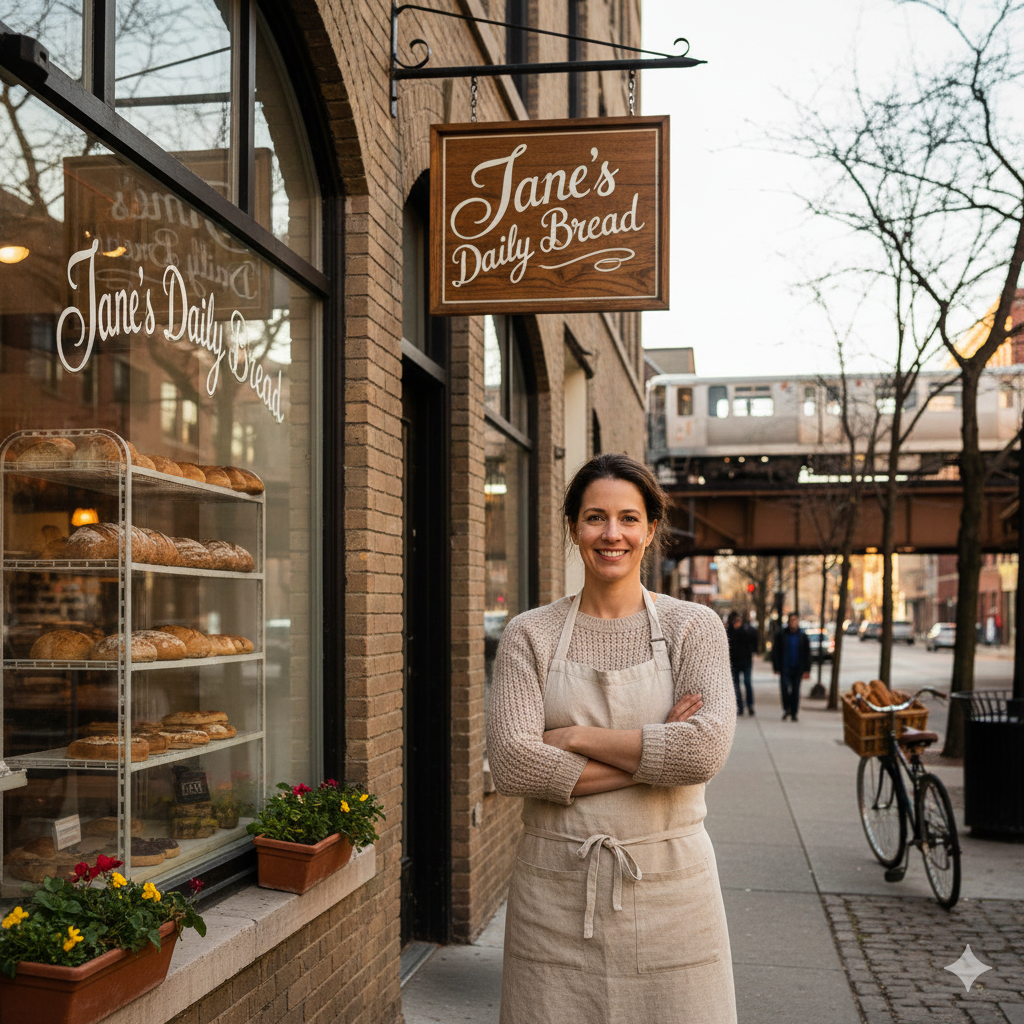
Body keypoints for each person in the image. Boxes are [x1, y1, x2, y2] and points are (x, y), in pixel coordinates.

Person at [487, 453, 737, 1024]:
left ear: (650, 529)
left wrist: (574, 736)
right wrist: (655, 752)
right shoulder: (531, 633)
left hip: (673, 891)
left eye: (628, 518)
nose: (612, 534)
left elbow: (703, 750)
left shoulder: (691, 628)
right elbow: (513, 765)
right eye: (595, 517)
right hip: (556, 894)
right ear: (574, 527)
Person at [771, 613, 810, 722]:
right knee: (784, 689)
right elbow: (776, 651)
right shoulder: (782, 634)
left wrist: (807, 669)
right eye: (791, 620)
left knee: (796, 691)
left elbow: (807, 653)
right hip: (785, 667)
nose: (793, 622)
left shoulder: (802, 636)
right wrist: (776, 667)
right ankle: (786, 708)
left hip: (798, 668)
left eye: (795, 620)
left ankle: (794, 712)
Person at [725, 611, 757, 716]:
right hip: (734, 661)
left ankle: (750, 705)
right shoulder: (729, 631)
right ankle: (740, 706)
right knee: (736, 685)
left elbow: (753, 638)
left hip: (746, 660)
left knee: (747, 682)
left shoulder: (747, 629)